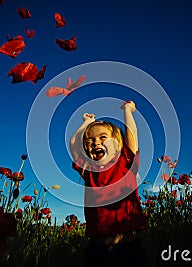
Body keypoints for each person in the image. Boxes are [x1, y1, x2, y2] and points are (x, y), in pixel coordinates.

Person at [69, 100, 148, 267]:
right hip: (98, 250)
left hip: (129, 248)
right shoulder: (90, 170)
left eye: (102, 137)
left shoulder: (125, 162)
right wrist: (87, 123)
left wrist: (128, 110)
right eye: (90, 141)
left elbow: (131, 136)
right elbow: (74, 145)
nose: (96, 142)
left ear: (117, 144)